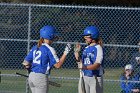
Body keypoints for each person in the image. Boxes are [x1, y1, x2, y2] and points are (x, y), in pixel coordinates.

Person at [22, 25, 71, 93]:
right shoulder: (49, 49)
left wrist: (31, 71)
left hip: (31, 77)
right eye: (53, 35)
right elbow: (58, 65)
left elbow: (25, 63)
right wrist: (66, 52)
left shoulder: (35, 47)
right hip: (41, 77)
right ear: (50, 36)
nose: (55, 37)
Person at [74, 26, 104, 93]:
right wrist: (77, 55)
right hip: (85, 76)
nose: (84, 38)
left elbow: (97, 65)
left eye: (86, 37)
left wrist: (85, 67)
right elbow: (81, 63)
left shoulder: (98, 48)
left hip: (95, 77)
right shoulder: (86, 48)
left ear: (93, 37)